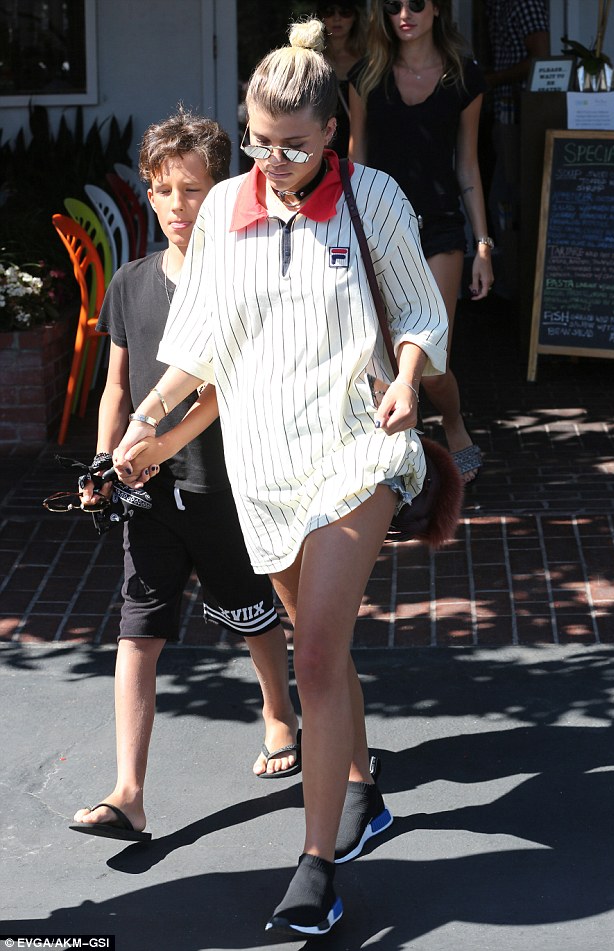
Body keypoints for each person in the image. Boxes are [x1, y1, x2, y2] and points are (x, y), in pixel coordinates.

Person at [111, 18, 448, 935]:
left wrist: (408, 378)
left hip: (357, 449)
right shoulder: (226, 207)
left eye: (295, 145)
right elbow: (201, 345)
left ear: (333, 130)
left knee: (314, 654)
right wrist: (145, 423)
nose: (275, 160)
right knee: (320, 644)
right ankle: (363, 789)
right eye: (260, 140)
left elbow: (421, 311)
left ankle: (316, 867)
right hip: (263, 463)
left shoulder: (373, 198)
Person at [69, 106, 301, 845]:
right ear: (148, 192)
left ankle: (279, 712)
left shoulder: (236, 281)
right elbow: (117, 386)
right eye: (164, 190)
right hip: (147, 494)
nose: (177, 205)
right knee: (137, 632)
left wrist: (155, 444)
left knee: (249, 611)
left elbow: (219, 388)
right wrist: (105, 460)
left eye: (194, 189)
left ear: (222, 190)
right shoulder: (130, 283)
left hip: (223, 486)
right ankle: (128, 792)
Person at [348, 0, 494, 485]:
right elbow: (356, 160)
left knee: (431, 360)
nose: (404, 13)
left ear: (437, 8)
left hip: (439, 226)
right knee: (382, 356)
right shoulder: (367, 76)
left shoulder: (463, 77)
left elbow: (467, 165)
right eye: (393, 5)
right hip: (379, 226)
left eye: (415, 3)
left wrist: (483, 245)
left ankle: (453, 422)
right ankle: (400, 454)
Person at [483, 0, 550, 290]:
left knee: (509, 201)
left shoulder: (524, 3)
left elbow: (541, 57)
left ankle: (516, 289)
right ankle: (510, 286)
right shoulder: (497, 6)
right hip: (503, 113)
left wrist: (492, 79)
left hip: (521, 116)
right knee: (503, 200)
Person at [318, 1, 367, 157]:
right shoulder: (312, 58)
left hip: (361, 141)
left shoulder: (369, 59)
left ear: (355, 17)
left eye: (345, 12)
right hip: (321, 143)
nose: (337, 18)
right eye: (329, 11)